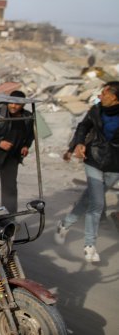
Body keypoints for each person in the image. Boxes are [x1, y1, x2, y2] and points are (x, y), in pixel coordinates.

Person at [55, 82, 119, 263]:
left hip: (115, 164)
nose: (100, 96)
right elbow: (83, 127)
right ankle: (89, 245)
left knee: (89, 197)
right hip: (94, 159)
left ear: (115, 97)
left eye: (104, 94)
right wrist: (78, 144)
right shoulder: (96, 110)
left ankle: (64, 224)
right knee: (97, 204)